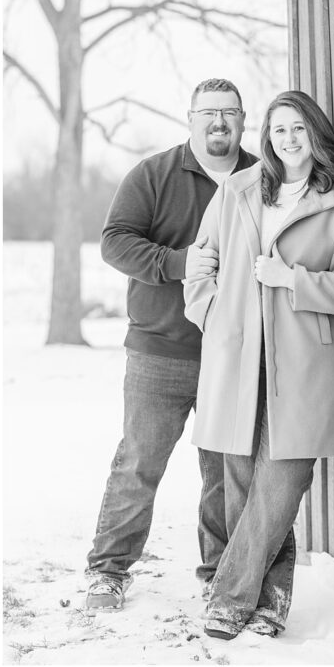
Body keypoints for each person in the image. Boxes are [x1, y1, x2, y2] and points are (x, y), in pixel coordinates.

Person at [184, 90, 334, 639]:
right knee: (241, 484)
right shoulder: (237, 190)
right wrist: (212, 313)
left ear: (316, 134)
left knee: (282, 484)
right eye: (278, 130)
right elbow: (202, 260)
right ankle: (269, 603)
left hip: (306, 360)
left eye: (298, 129)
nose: (288, 139)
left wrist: (294, 280)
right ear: (266, 137)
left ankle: (227, 599)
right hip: (240, 355)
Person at [86, 78, 257, 610]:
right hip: (159, 350)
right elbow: (115, 241)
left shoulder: (260, 178)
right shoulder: (154, 175)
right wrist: (176, 264)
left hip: (232, 353)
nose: (219, 122)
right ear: (190, 118)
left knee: (224, 469)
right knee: (139, 462)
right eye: (209, 112)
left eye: (229, 112)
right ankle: (108, 570)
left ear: (243, 121)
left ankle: (219, 573)